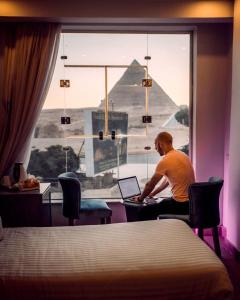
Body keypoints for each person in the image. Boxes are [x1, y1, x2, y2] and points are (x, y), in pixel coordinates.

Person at [134, 131, 195, 220]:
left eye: (155, 145)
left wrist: (140, 198)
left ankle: (151, 233)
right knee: (159, 204)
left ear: (160, 144)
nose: (155, 148)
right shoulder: (182, 155)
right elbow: (166, 182)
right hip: (190, 203)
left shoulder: (166, 160)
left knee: (143, 211)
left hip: (180, 205)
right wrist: (153, 193)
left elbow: (150, 185)